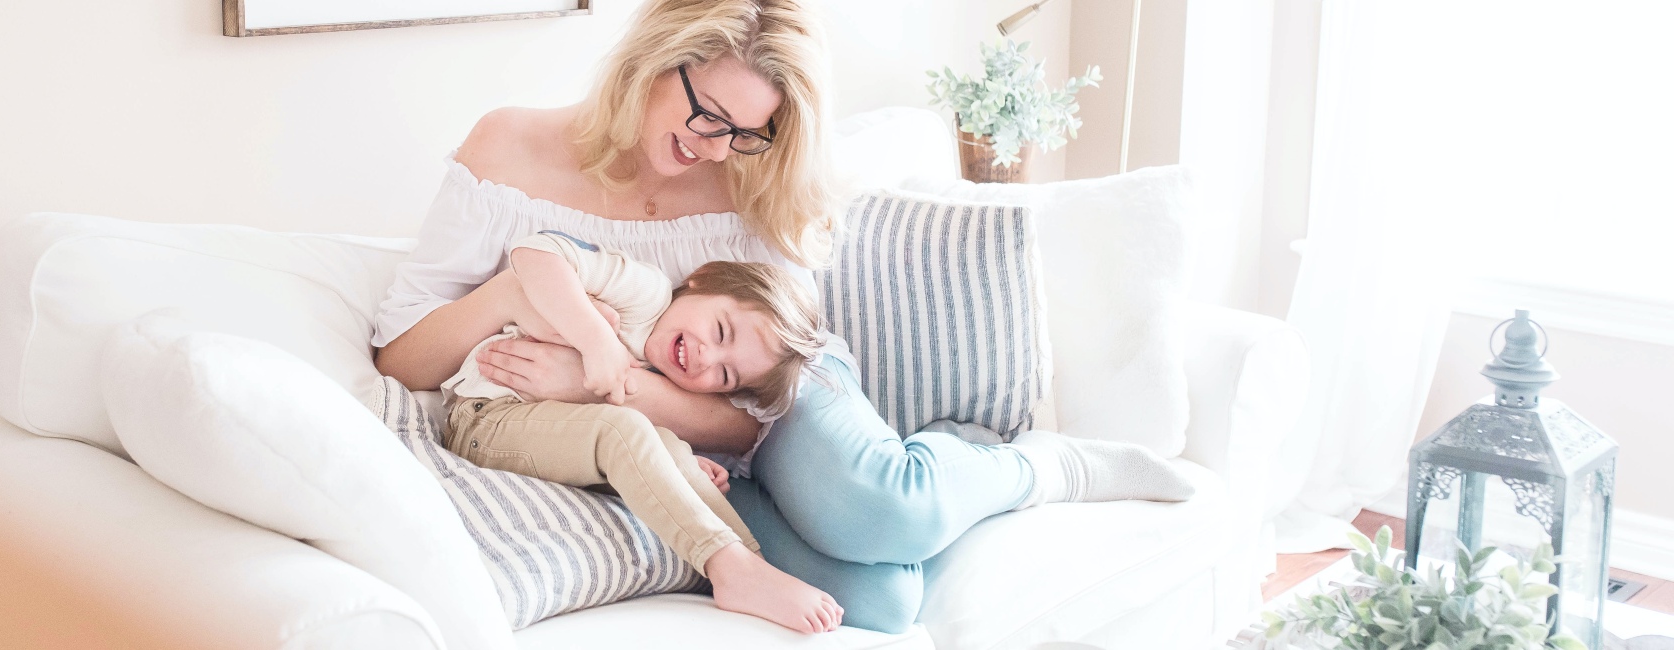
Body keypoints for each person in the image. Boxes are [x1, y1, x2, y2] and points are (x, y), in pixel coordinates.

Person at [372, 0, 1195, 633]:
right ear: (656, 61)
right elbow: (398, 360)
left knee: (887, 510)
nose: (719, 148)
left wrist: (607, 386)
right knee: (879, 601)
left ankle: (1041, 467)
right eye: (708, 116)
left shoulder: (750, 183)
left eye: (746, 133)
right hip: (668, 439)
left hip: (774, 379)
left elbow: (749, 416)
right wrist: (514, 300)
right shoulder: (510, 150)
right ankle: (941, 476)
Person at [440, 231, 839, 633]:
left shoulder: (665, 376)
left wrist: (675, 463)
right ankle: (728, 566)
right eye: (721, 331)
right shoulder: (645, 295)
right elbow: (533, 252)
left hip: (544, 438)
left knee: (666, 445)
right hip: (486, 418)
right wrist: (596, 341)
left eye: (724, 374)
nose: (706, 357)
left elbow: (599, 435)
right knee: (625, 428)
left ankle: (747, 565)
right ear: (703, 279)